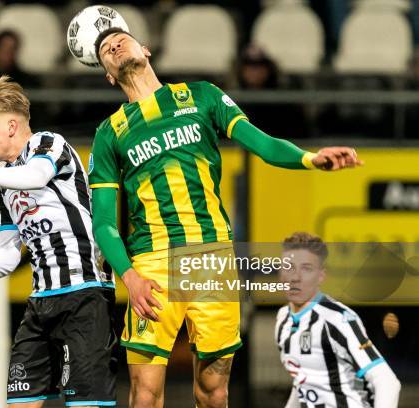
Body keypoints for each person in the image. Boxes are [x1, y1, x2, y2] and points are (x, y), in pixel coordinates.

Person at [89, 27, 363, 408]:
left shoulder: (202, 95)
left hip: (211, 260)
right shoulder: (109, 133)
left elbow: (262, 143)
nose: (115, 45)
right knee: (144, 396)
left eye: (121, 39)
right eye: (105, 49)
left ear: (146, 49)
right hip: (152, 265)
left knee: (214, 393)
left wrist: (309, 159)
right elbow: (102, 222)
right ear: (107, 73)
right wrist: (129, 276)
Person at [0, 76, 116, 408]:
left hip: (85, 296)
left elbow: (35, 177)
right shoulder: (5, 184)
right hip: (40, 303)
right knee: (20, 403)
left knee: (86, 405)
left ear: (12, 126)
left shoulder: (48, 144)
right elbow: (8, 250)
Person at [277, 232, 400, 408]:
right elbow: (303, 381)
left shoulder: (337, 319)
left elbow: (387, 382)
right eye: (289, 267)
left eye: (306, 268)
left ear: (321, 276)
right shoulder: (283, 320)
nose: (295, 277)